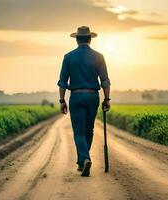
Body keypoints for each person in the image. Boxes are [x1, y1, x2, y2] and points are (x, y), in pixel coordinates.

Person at [57, 26, 111, 177]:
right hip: (92, 96)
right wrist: (107, 99)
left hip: (76, 96)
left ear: (76, 40)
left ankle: (84, 159)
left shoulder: (69, 57)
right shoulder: (99, 56)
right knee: (89, 130)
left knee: (78, 132)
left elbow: (62, 82)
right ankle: (83, 160)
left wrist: (62, 100)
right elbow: (105, 81)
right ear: (90, 39)